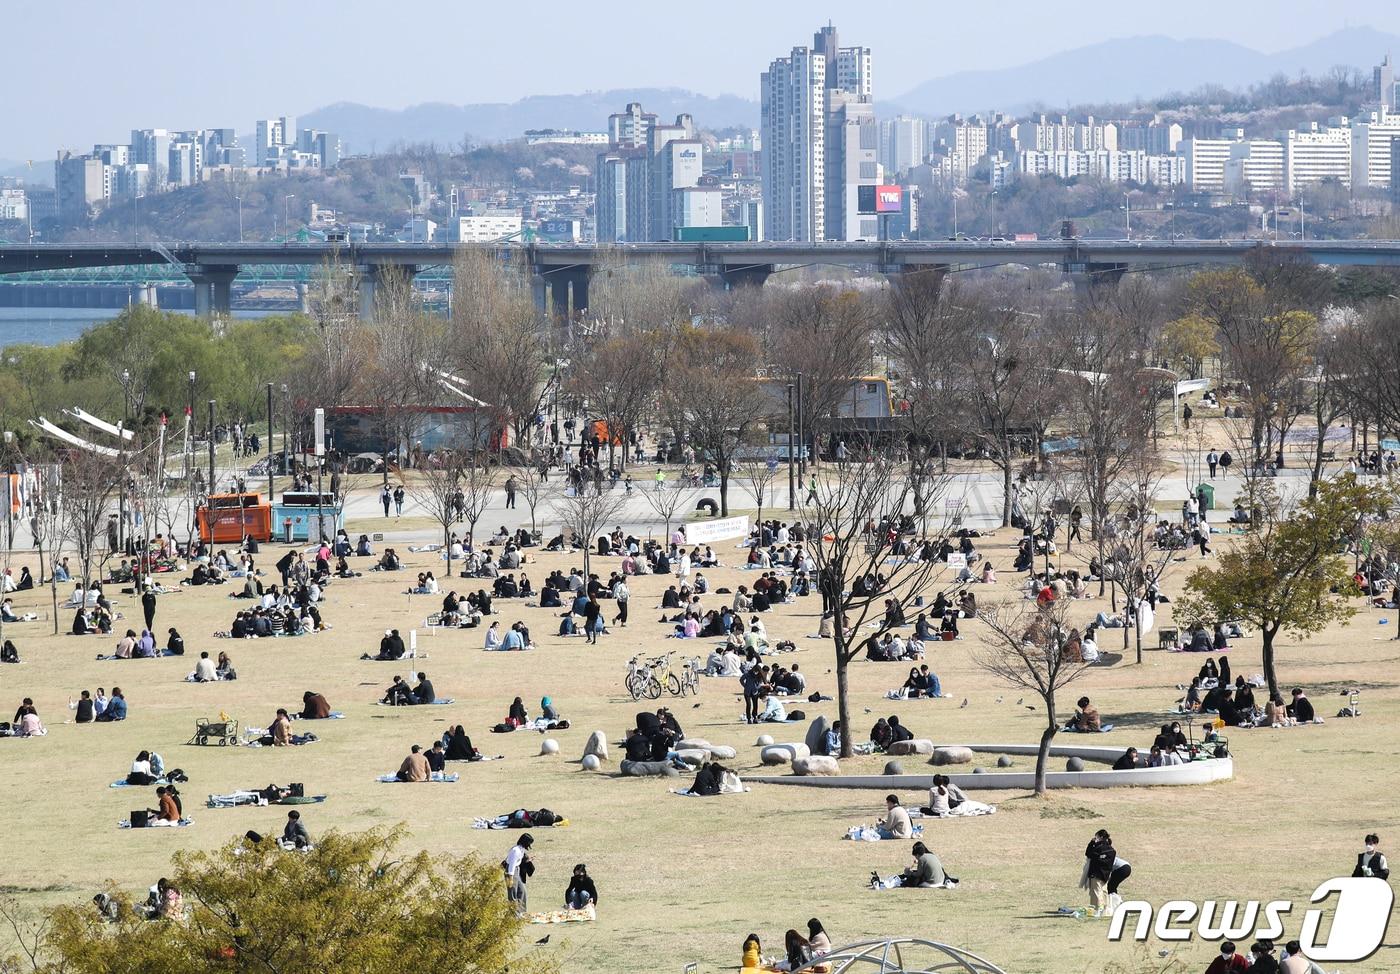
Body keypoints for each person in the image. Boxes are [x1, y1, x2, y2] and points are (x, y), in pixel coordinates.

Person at [1083, 829, 1115, 916]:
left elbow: (1088, 854)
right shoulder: (1111, 849)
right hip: (1106, 874)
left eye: (1096, 836)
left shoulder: (1098, 848)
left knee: (1096, 892)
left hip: (1096, 873)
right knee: (1104, 891)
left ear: (1100, 837)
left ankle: (1096, 910)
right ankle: (1106, 910)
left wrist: (1091, 843)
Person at [504, 833, 534, 914]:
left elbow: (518, 862)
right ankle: (513, 915)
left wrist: (528, 861)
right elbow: (512, 865)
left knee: (522, 891)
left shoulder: (521, 849)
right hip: (510, 872)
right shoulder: (516, 850)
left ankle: (521, 912)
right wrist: (510, 878)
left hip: (516, 870)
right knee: (512, 894)